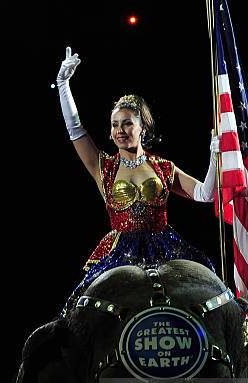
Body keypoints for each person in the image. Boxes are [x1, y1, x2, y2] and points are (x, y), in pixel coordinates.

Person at [57, 46, 221, 317]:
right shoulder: (103, 167)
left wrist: (215, 157)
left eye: (127, 124)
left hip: (166, 248)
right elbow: (75, 127)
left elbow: (205, 194)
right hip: (120, 252)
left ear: (142, 127)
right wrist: (63, 84)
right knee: (79, 315)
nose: (119, 131)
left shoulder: (163, 167)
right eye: (114, 124)